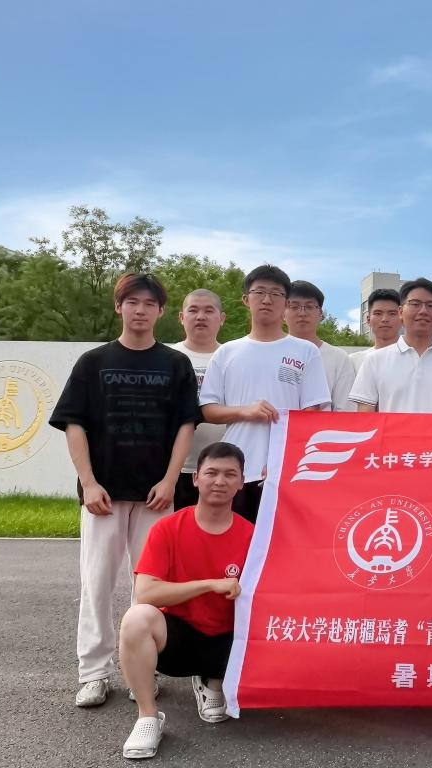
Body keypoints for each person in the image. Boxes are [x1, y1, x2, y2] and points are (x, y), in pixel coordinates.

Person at [49, 273, 199, 708]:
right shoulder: (92, 362)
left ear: (161, 311)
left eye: (149, 303)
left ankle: (142, 672)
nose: (140, 310)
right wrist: (89, 483)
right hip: (103, 496)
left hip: (156, 495)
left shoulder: (175, 364)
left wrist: (170, 480)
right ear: (119, 307)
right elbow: (74, 424)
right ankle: (93, 674)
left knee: (149, 591)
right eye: (132, 301)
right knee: (96, 585)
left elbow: (186, 425)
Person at [118, 441, 254, 759]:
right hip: (179, 641)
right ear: (195, 478)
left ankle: (213, 680)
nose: (219, 481)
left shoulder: (254, 536)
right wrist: (208, 585)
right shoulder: (167, 529)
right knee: (136, 619)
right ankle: (148, 716)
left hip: (229, 642)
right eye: (211, 473)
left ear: (241, 482)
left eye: (229, 474)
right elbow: (146, 593)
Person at [200, 265, 330, 522]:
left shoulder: (305, 351)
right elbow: (208, 410)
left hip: (285, 471)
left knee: (283, 542)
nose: (267, 300)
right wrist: (245, 411)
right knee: (236, 540)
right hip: (235, 472)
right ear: (245, 299)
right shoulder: (227, 352)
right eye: (259, 292)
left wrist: (286, 460)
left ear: (286, 303)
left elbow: (313, 413)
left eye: (276, 293)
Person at [349, 277, 432, 413]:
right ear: (400, 312)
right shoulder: (374, 361)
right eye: (415, 304)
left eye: (431, 305)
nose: (423, 311)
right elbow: (366, 416)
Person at [170, 289, 228, 510]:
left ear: (221, 318)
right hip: (175, 470)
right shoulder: (167, 358)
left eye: (209, 311)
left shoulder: (234, 357)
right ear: (181, 317)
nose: (200, 317)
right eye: (193, 310)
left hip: (225, 469)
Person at [283, 280, 357, 412]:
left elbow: (345, 410)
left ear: (321, 313)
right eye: (294, 306)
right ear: (283, 312)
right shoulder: (272, 353)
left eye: (310, 307)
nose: (302, 313)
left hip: (324, 425)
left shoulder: (339, 358)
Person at [350, 288, 402, 373]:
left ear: (402, 318)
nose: (385, 319)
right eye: (378, 313)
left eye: (392, 313)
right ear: (368, 319)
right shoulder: (353, 361)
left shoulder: (415, 358)